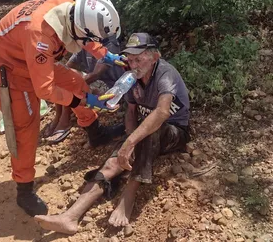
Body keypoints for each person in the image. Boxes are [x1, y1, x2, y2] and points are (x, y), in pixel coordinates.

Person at [0, 0, 127, 217]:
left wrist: (107, 56)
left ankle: (95, 131)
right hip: (10, 67)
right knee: (26, 127)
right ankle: (24, 188)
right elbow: (45, 89)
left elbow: (85, 37)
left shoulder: (71, 8)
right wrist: (84, 100)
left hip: (29, 55)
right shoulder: (39, 35)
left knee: (76, 82)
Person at [34, 32, 191, 234]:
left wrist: (130, 142)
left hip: (174, 131)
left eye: (139, 58)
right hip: (145, 133)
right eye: (131, 59)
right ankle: (70, 216)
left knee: (151, 129)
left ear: (155, 56)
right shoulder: (132, 77)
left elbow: (161, 112)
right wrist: (129, 138)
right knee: (112, 163)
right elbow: (131, 112)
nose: (134, 64)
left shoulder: (164, 73)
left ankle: (128, 197)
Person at [44, 34, 125, 144]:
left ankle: (65, 119)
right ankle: (59, 116)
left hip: (107, 83)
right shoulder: (86, 41)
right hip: (90, 81)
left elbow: (96, 74)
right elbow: (68, 65)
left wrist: (73, 85)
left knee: (70, 84)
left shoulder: (110, 44)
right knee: (62, 80)